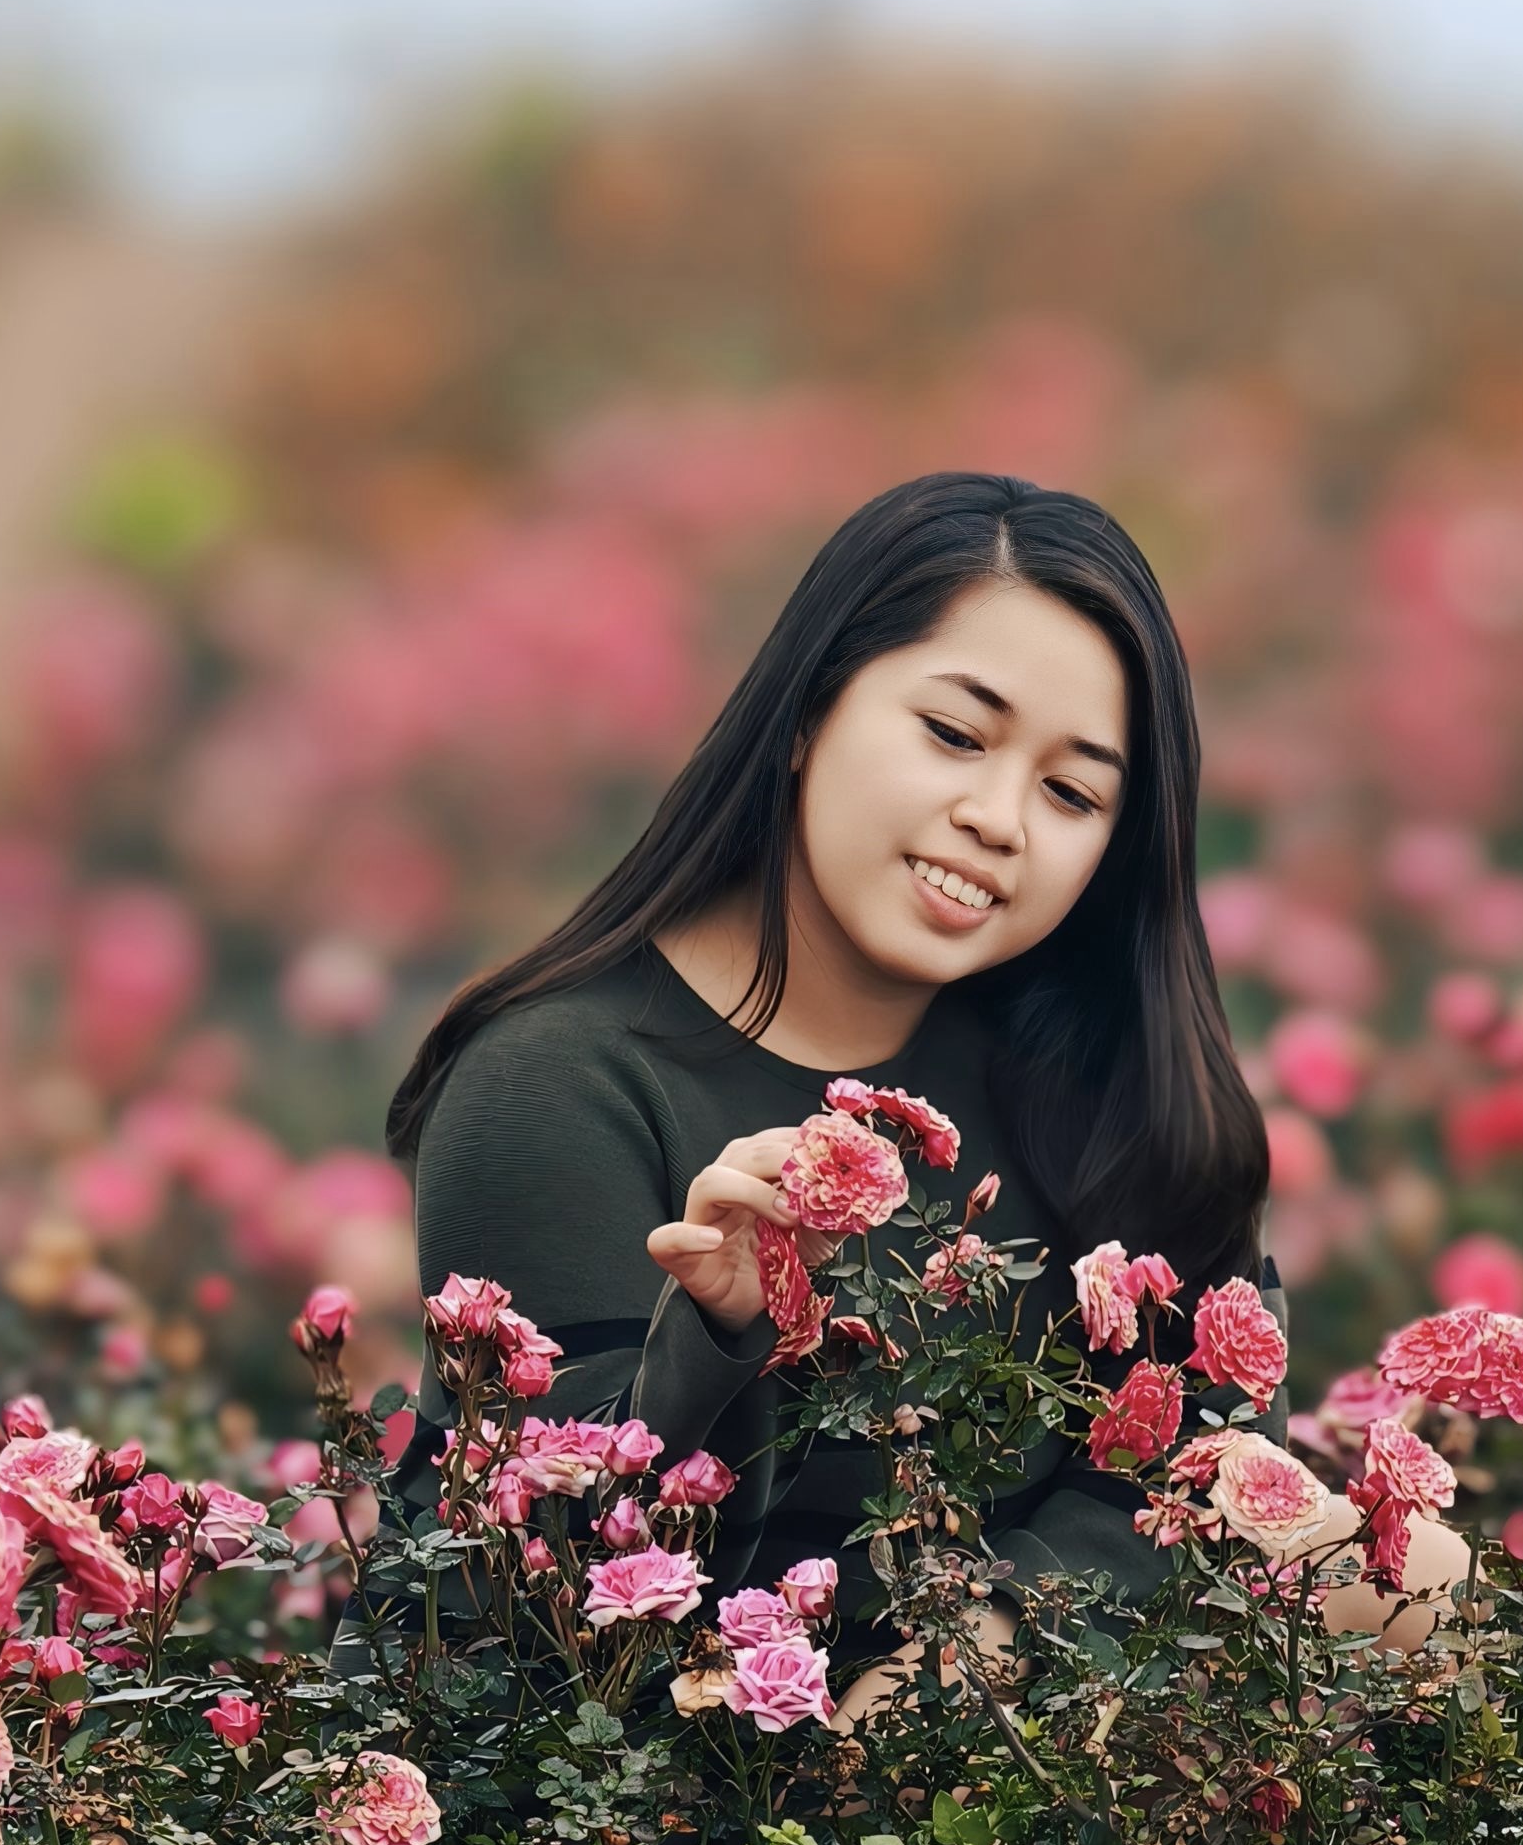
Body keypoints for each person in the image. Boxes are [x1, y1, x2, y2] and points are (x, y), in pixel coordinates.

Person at [340, 470, 1291, 1701]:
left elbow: (1205, 1474)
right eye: (954, 733)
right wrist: (721, 1338)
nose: (997, 818)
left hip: (1000, 1783)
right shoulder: (555, 1082)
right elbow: (538, 1616)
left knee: (1400, 1574)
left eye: (1070, 791)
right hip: (652, 1838)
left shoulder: (1109, 1091)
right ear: (804, 715)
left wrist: (979, 1655)